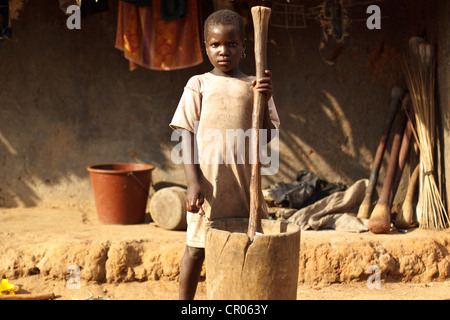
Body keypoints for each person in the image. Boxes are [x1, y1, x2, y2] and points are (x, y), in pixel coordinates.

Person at [169, 9, 280, 300]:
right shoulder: (199, 84)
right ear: (206, 47)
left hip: (245, 187)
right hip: (210, 186)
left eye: (232, 44)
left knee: (247, 246)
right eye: (215, 45)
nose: (224, 51)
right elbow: (185, 134)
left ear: (244, 47)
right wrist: (193, 183)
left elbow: (266, 137)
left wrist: (265, 99)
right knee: (196, 248)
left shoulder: (255, 86)